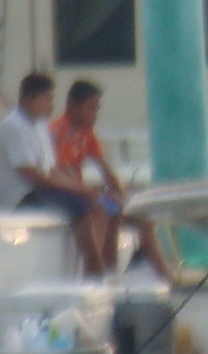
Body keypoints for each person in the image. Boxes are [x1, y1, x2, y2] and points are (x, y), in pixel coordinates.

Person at [51, 80, 175, 281]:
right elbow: (63, 173)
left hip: (84, 190)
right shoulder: (58, 132)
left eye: (96, 109)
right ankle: (98, 273)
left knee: (143, 217)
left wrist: (124, 195)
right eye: (90, 108)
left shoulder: (86, 133)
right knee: (105, 210)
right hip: (69, 192)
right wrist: (97, 193)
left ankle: (164, 275)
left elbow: (105, 169)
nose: (95, 115)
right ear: (73, 106)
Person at [0, 71, 110, 274]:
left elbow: (53, 169)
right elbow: (33, 175)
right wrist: (80, 192)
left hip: (40, 190)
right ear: (30, 99)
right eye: (47, 99)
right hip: (21, 196)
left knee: (101, 206)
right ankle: (95, 270)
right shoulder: (13, 127)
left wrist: (82, 188)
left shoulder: (39, 125)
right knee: (85, 205)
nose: (51, 104)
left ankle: (98, 265)